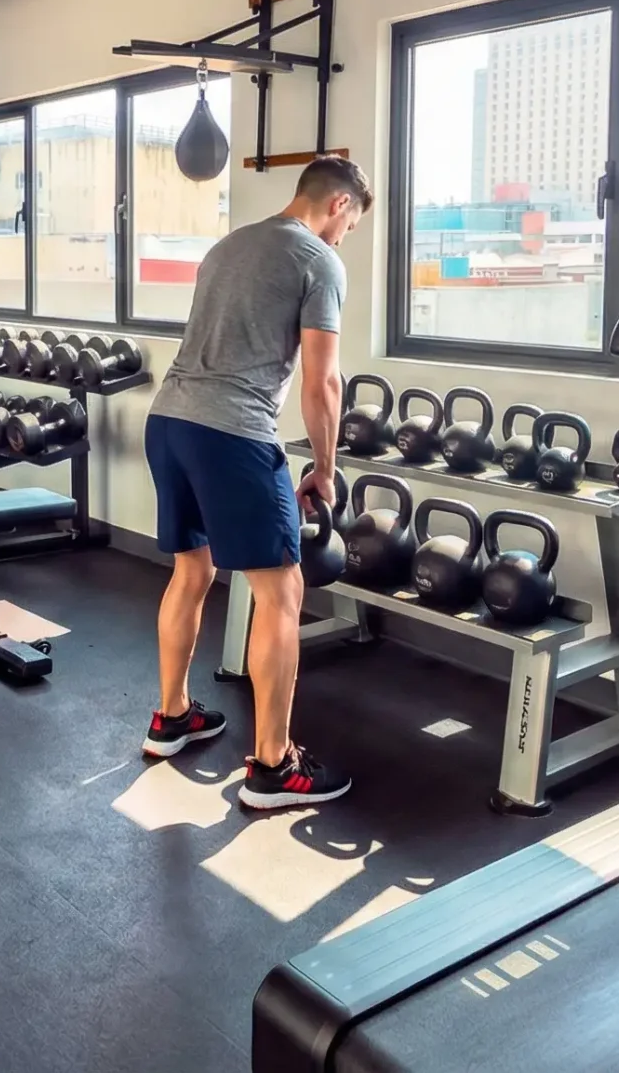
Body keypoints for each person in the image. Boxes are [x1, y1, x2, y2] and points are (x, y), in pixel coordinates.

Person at [140, 156, 372, 809]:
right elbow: (324, 382)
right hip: (232, 432)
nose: (342, 237)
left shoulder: (229, 244)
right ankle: (274, 766)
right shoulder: (318, 261)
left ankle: (173, 715)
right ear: (337, 205)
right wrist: (324, 469)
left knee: (192, 571)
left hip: (170, 422)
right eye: (348, 225)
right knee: (281, 592)